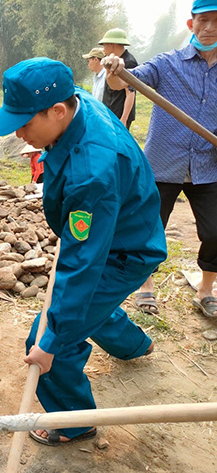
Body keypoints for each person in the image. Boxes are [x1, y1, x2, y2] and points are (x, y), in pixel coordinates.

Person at [0, 57, 165, 446]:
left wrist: (49, 344)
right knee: (92, 305)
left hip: (123, 251)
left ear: (58, 111)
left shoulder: (92, 170)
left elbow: (84, 263)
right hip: (121, 229)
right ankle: (137, 345)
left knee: (51, 336)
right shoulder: (74, 102)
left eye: (24, 122)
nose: (18, 132)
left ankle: (74, 421)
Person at [102, 0, 217, 317]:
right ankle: (146, 287)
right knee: (150, 228)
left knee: (216, 231)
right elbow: (124, 81)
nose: (209, 28)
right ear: (191, 25)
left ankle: (206, 290)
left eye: (216, 21)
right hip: (162, 165)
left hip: (208, 168)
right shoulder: (168, 63)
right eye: (203, 20)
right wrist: (116, 70)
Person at [99, 28, 137, 129]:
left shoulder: (129, 62)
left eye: (104, 45)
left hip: (119, 115)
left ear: (112, 44)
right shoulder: (111, 60)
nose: (103, 49)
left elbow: (130, 93)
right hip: (110, 113)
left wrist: (123, 119)